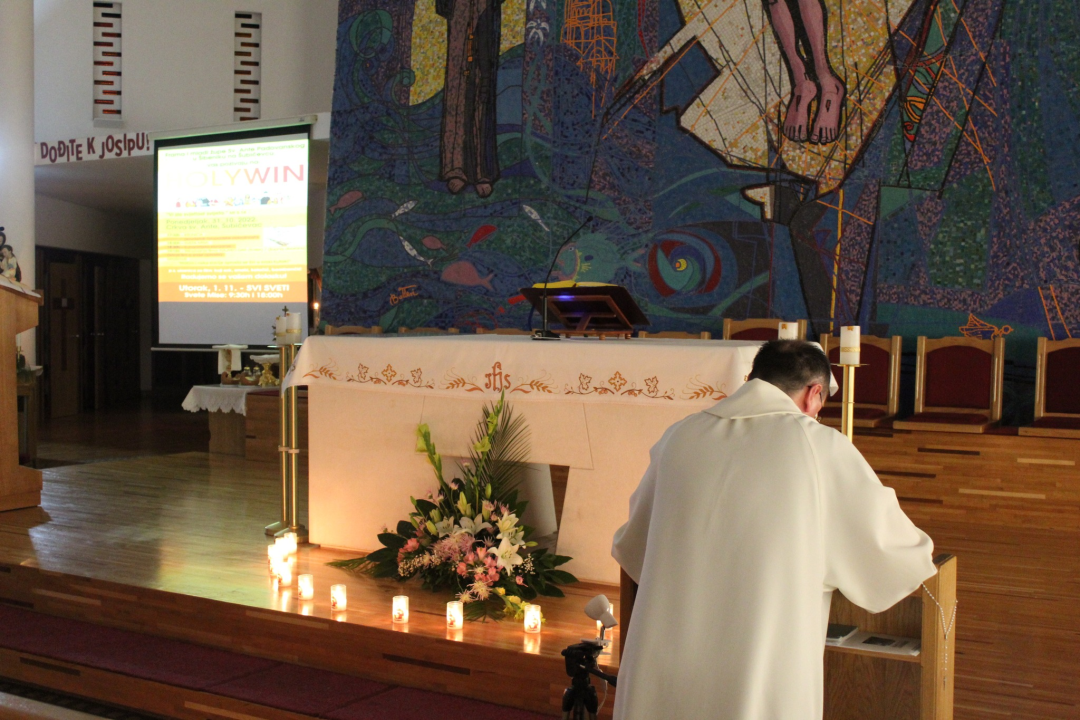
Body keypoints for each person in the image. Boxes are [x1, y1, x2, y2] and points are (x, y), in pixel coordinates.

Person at [611, 340, 935, 720]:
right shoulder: (819, 445)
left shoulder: (680, 434)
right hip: (760, 653)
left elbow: (636, 542)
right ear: (814, 394)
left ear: (752, 378)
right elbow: (887, 551)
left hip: (668, 653)